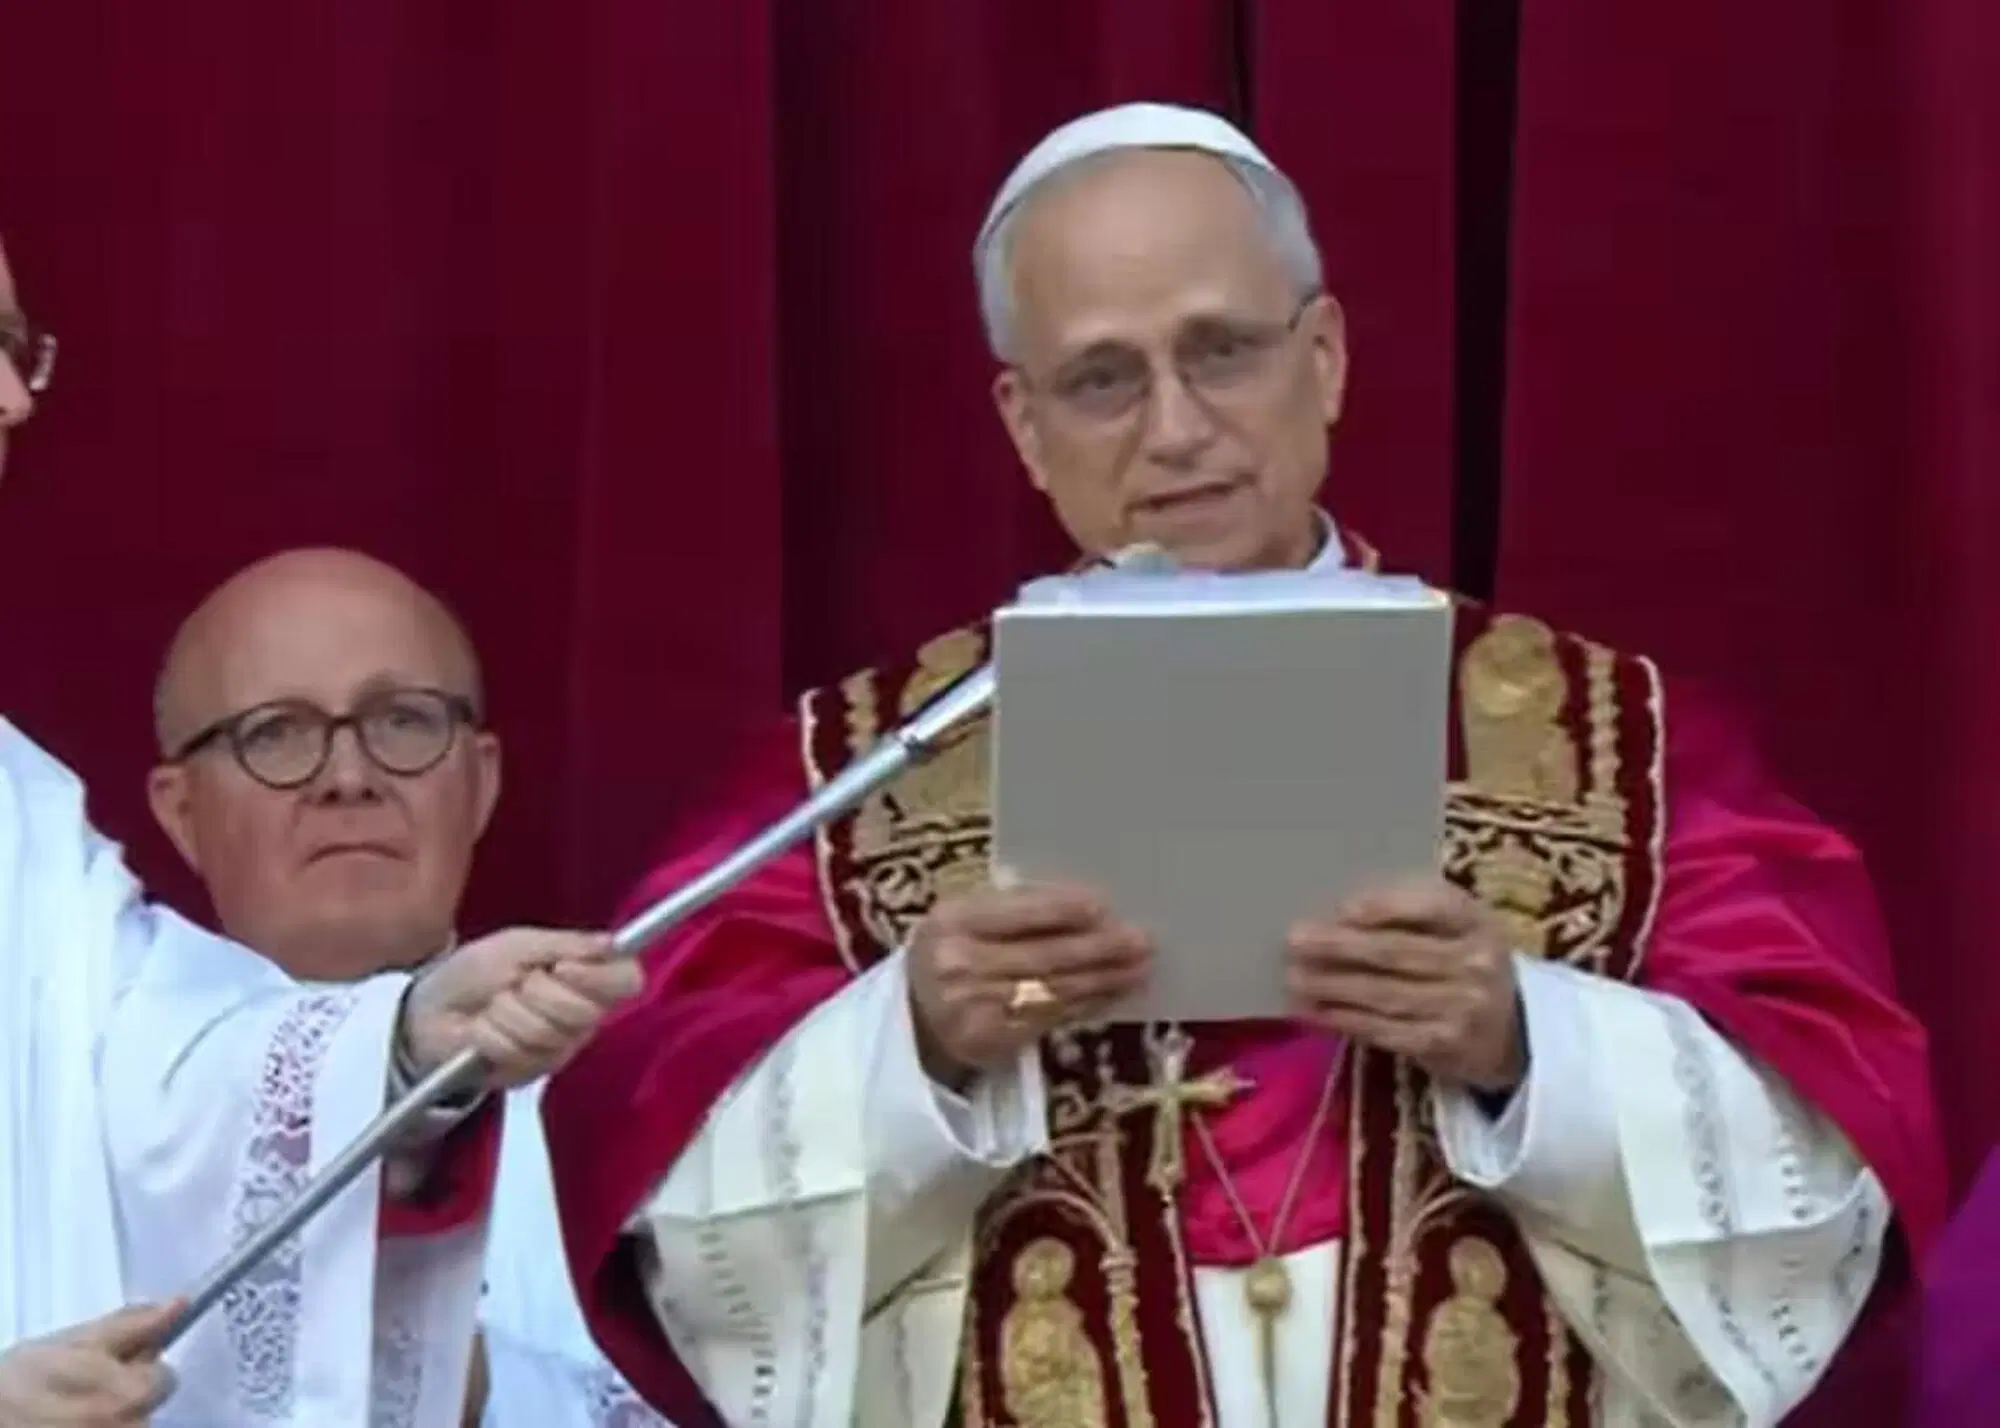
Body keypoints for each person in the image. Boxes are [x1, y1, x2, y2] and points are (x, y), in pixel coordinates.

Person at [541, 105, 1947, 1428]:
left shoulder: (1617, 747)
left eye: (1220, 351)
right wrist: (916, 1048)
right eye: (1102, 378)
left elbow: (1833, 1172)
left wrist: (1529, 1045)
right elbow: (668, 1201)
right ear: (1024, 424)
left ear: (1321, 359)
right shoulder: (849, 780)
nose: (1173, 428)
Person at [0, 237, 640, 1426]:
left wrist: (401, 1049)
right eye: (277, 737)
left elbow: (166, 1082)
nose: (14, 400)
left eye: (15, 348)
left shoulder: (12, 800)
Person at [146, 546, 670, 1428]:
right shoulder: (79, 1113)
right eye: (276, 733)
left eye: (403, 721)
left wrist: (461, 1385)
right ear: (181, 811)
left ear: (483, 780)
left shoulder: (638, 1097)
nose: (349, 778)